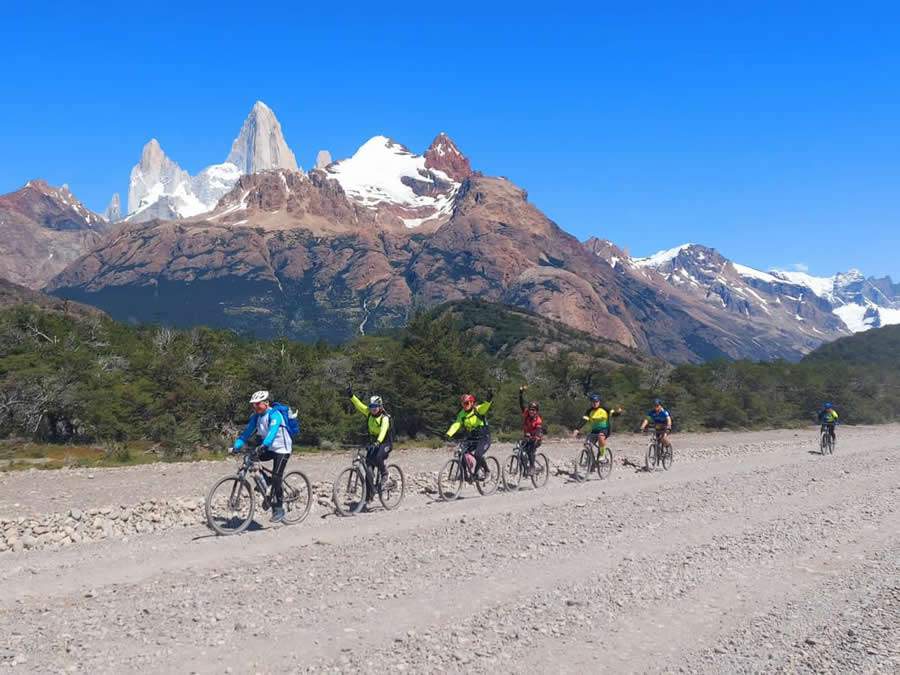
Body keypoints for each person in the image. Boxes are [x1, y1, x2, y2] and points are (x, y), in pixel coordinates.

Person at [232, 390, 292, 523]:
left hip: (282, 448)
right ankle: (266, 481)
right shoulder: (256, 417)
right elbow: (246, 434)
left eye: (257, 404)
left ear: (266, 403)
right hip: (269, 447)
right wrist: (236, 446)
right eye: (253, 405)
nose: (255, 407)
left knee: (277, 476)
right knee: (250, 458)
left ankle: (279, 509)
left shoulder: (275, 415)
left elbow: (272, 432)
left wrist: (263, 445)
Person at [347, 384, 393, 500]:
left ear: (380, 406)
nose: (373, 408)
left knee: (378, 458)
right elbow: (359, 405)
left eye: (375, 406)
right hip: (374, 443)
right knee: (368, 469)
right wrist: (351, 395)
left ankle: (385, 474)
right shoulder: (369, 413)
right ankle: (370, 495)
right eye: (371, 406)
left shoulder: (385, 418)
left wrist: (378, 442)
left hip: (385, 443)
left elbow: (383, 431)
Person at [446, 389, 494, 480]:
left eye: (467, 403)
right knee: (461, 452)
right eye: (463, 404)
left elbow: (486, 406)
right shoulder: (462, 414)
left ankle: (487, 471)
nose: (465, 406)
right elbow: (457, 424)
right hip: (471, 438)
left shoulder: (478, 410)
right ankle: (465, 475)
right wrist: (449, 433)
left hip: (484, 437)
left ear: (472, 403)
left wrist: (489, 398)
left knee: (478, 455)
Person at [573, 393, 623, 459]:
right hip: (594, 430)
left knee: (600, 437)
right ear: (591, 403)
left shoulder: (605, 409)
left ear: (599, 402)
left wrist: (619, 412)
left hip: (605, 429)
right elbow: (584, 420)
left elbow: (614, 414)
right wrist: (577, 429)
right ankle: (590, 461)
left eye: (596, 402)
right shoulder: (589, 411)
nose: (595, 403)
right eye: (593, 402)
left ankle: (602, 454)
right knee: (587, 444)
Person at [518, 385, 543, 476]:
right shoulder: (526, 414)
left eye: (533, 410)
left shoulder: (538, 420)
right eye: (530, 410)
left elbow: (538, 430)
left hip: (536, 438)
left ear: (536, 411)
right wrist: (520, 393)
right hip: (527, 437)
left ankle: (532, 467)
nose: (531, 412)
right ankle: (524, 469)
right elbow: (521, 404)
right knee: (520, 451)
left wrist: (534, 436)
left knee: (530, 451)